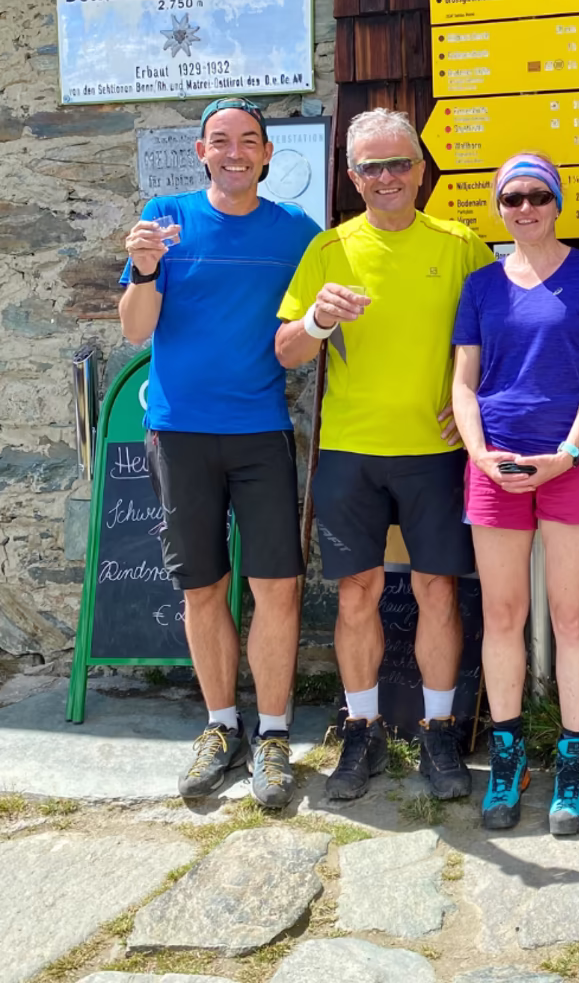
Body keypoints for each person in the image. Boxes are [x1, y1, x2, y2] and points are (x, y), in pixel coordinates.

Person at [276, 108, 493, 802]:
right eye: (371, 167)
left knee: (437, 591)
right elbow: (286, 352)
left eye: (399, 163)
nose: (388, 177)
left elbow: (506, 335)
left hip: (435, 451)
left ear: (422, 169)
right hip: (350, 450)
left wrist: (476, 410)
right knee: (358, 594)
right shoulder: (329, 248)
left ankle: (438, 731)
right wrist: (317, 319)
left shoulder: (460, 243)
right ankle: (361, 729)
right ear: (350, 177)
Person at [118, 97, 319, 808]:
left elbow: (327, 312)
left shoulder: (297, 230)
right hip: (179, 431)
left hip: (262, 429)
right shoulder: (167, 221)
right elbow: (137, 331)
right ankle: (219, 726)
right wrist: (142, 270)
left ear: (268, 154)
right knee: (200, 586)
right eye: (221, 140)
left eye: (249, 141)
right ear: (201, 151)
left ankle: (271, 734)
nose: (235, 152)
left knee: (277, 588)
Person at [451, 153, 579, 835]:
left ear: (557, 202)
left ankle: (573, 759)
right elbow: (464, 383)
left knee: (571, 614)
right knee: (501, 614)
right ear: (498, 207)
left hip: (574, 461)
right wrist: (479, 455)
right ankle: (509, 752)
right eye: (512, 199)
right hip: (495, 464)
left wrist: (568, 452)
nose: (525, 209)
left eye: (537, 196)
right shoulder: (480, 286)